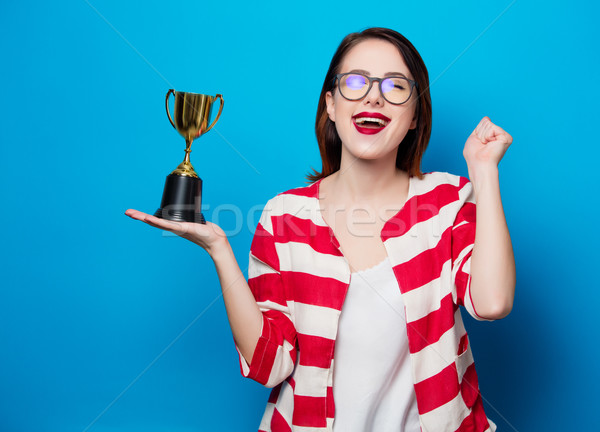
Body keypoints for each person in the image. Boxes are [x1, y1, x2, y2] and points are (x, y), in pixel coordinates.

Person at [126, 27, 514, 432]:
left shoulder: (448, 201)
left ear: (415, 114)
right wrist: (221, 252)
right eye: (355, 82)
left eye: (395, 86)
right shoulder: (284, 216)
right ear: (330, 104)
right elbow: (269, 365)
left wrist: (484, 173)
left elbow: (491, 302)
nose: (373, 96)